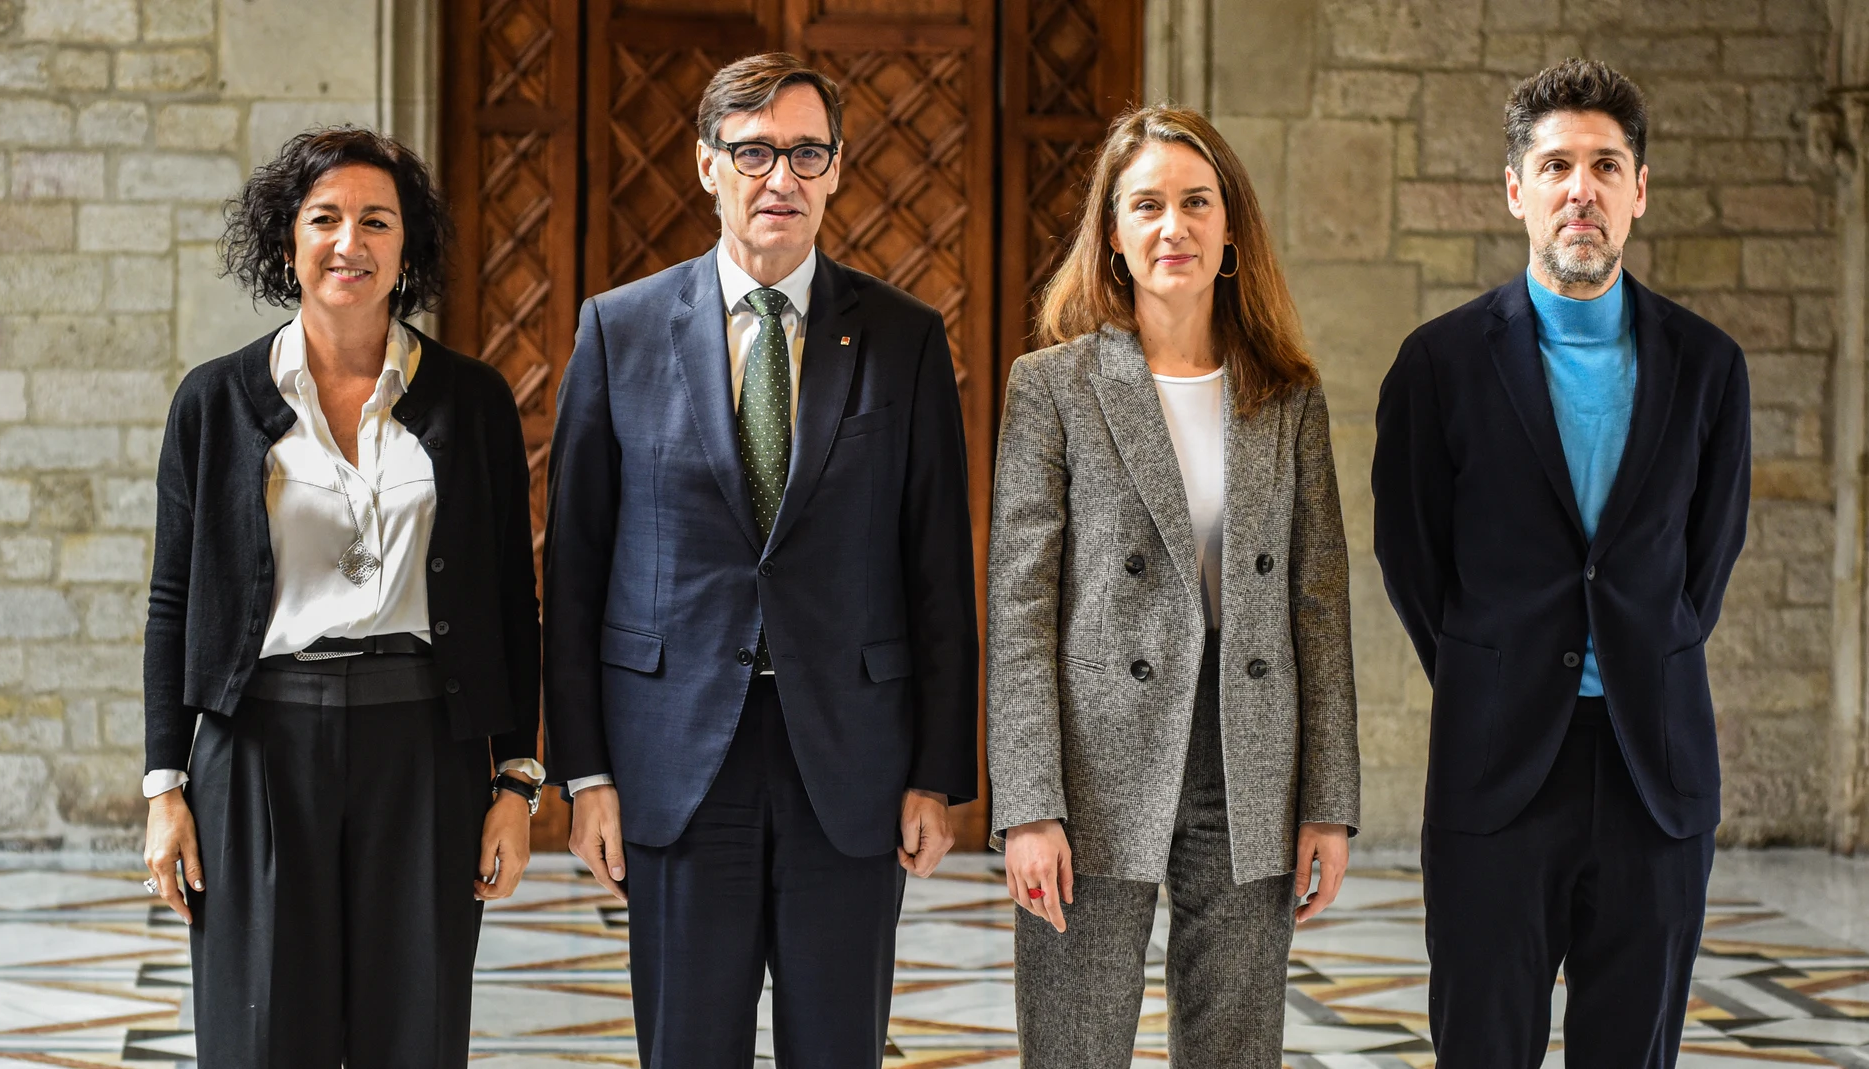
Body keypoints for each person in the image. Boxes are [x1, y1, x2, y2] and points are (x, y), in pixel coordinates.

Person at [541, 52, 979, 1068]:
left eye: (806, 153)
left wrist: (936, 773)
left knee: (838, 1052)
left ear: (835, 169)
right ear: (707, 166)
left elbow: (937, 573)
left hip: (853, 763)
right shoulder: (620, 330)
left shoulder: (905, 339)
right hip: (674, 761)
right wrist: (586, 771)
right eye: (753, 152)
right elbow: (574, 567)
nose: (780, 177)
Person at [139, 126, 544, 1069]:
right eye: (324, 219)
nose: (348, 242)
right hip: (259, 753)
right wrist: (165, 785)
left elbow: (511, 598)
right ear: (288, 241)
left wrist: (518, 780)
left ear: (408, 248)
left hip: (426, 754)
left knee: (416, 1034)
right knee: (264, 1036)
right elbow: (171, 600)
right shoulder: (213, 401)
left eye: (376, 220)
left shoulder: (474, 400)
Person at [1373, 59, 1751, 1068]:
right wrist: (1494, 667)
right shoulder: (1438, 364)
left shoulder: (1708, 367)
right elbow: (1412, 557)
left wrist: (1634, 649)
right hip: (1494, 772)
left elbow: (1704, 561)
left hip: (1652, 776)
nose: (1578, 187)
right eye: (1554, 165)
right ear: (1515, 190)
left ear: (1638, 191)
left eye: (1603, 164)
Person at [987, 104, 1360, 1069]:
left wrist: (1329, 798)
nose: (1173, 226)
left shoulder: (1286, 395)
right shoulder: (1054, 386)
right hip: (1092, 767)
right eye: (1146, 204)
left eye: (1197, 202)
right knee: (1073, 1049)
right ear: (1111, 233)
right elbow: (1020, 606)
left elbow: (1318, 604)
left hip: (1252, 762)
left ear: (1231, 224)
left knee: (1238, 1052)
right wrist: (1029, 804)